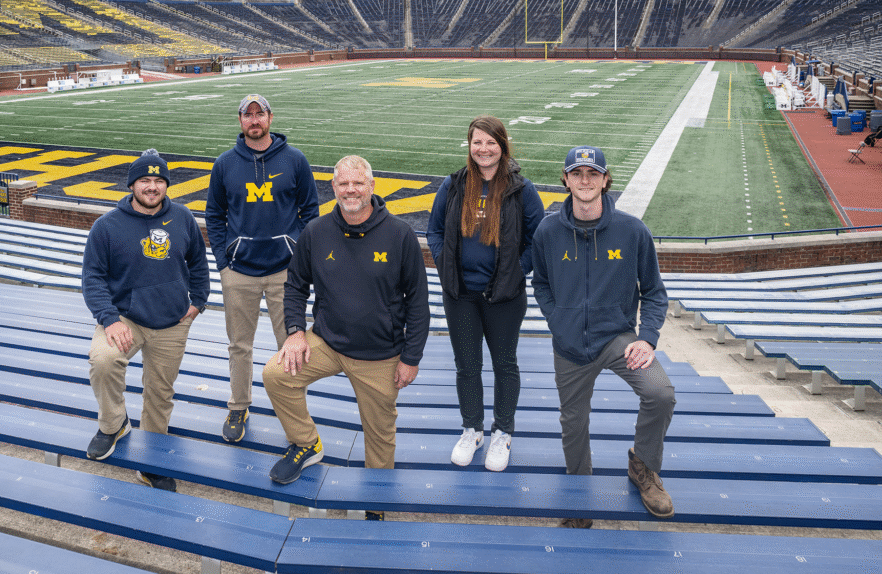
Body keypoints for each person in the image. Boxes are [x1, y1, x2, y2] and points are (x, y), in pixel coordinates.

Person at [262, 155, 430, 520]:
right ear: (333, 188)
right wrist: (294, 333)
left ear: (372, 186)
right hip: (328, 342)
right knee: (275, 375)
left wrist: (411, 357)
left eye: (358, 183)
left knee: (381, 434)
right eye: (343, 184)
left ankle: (376, 503)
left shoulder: (400, 235)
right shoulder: (316, 231)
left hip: (380, 354)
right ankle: (307, 443)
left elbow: (418, 302)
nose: (351, 190)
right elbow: (294, 287)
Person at [531, 146, 675, 527]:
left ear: (606, 179)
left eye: (592, 173)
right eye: (577, 173)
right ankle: (579, 495)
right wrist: (556, 319)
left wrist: (647, 338)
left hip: (618, 337)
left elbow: (655, 292)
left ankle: (643, 467)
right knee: (573, 422)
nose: (584, 180)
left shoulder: (632, 230)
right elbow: (541, 283)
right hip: (569, 344)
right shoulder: (547, 231)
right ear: (565, 180)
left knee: (660, 392)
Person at [83, 148, 210, 492]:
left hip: (171, 320)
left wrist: (198, 301)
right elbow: (92, 278)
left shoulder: (182, 218)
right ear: (132, 185)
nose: (152, 186)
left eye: (159, 180)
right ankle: (113, 424)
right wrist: (110, 320)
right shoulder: (107, 225)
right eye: (145, 180)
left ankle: (150, 464)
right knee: (104, 360)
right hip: (127, 318)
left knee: (159, 393)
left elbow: (198, 263)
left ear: (166, 185)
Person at [427, 115, 544, 472]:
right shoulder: (453, 184)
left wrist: (515, 272)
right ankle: (472, 429)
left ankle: (502, 432)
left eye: (490, 142)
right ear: (469, 145)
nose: (483, 149)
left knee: (505, 364)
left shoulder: (522, 190)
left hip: (504, 297)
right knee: (467, 366)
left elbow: (537, 240)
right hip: (460, 294)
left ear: (502, 145)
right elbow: (433, 231)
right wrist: (447, 265)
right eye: (477, 142)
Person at [206, 94, 320, 443]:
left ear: (270, 117)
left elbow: (310, 212)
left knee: (290, 345)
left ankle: (294, 415)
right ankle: (239, 406)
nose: (254, 120)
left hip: (285, 272)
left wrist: (300, 259)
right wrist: (224, 264)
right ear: (240, 121)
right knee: (239, 345)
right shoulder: (225, 163)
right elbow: (214, 215)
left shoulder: (295, 159)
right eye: (247, 115)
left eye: (260, 114)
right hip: (239, 271)